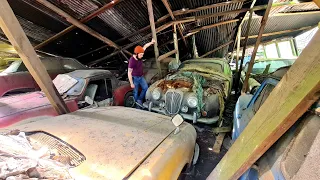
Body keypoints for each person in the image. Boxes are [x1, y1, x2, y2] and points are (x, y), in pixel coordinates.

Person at [128, 39, 155, 108]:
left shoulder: (140, 52)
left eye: (142, 54)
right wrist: (131, 83)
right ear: (136, 54)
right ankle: (137, 106)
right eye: (141, 55)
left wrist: (151, 42)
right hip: (135, 78)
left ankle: (139, 100)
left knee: (145, 88)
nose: (142, 56)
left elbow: (145, 46)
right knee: (135, 92)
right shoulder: (132, 61)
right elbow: (129, 72)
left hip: (141, 76)